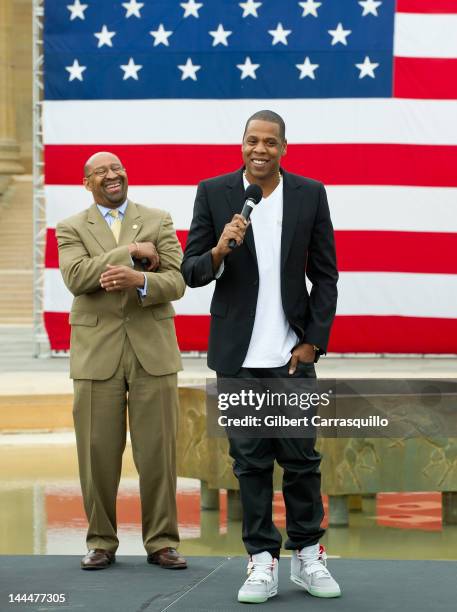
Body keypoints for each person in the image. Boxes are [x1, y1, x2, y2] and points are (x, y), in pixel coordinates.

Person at [182, 111, 340, 602]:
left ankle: (308, 556)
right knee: (249, 463)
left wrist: (312, 340)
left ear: (284, 148)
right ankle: (262, 561)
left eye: (271, 141)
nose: (261, 149)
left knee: (300, 459)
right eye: (253, 140)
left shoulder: (310, 194)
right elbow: (191, 271)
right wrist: (220, 250)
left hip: (291, 357)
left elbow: (326, 275)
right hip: (237, 359)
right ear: (242, 145)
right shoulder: (214, 193)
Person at [56, 151, 187, 571]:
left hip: (154, 351)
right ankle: (100, 541)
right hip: (97, 354)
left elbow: (178, 280)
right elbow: (76, 277)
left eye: (117, 169)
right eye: (101, 172)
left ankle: (163, 541)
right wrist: (132, 252)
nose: (112, 176)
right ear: (86, 182)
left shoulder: (159, 218)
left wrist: (142, 280)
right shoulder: (70, 227)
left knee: (158, 452)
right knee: (96, 452)